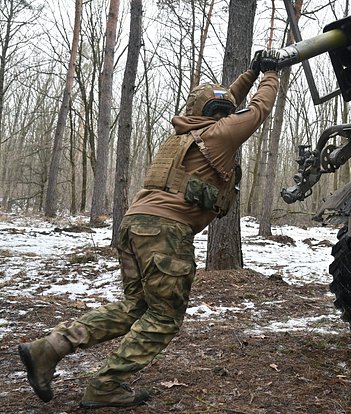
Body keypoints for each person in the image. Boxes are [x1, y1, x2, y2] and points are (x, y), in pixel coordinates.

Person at [18, 50, 280, 409]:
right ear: (219, 116)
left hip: (135, 225)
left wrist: (250, 71)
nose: (227, 111)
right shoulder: (221, 136)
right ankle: (107, 383)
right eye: (223, 110)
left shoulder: (184, 135)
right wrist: (271, 75)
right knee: (163, 315)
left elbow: (225, 101)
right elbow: (258, 110)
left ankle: (49, 348)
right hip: (165, 232)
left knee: (135, 306)